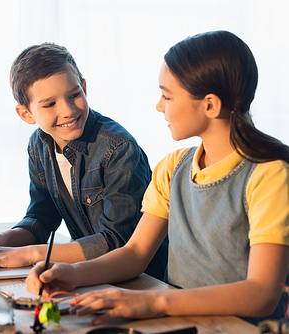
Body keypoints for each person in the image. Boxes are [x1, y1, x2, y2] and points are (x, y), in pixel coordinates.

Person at [25, 31, 289, 325]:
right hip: (179, 322)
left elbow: (263, 293)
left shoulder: (270, 175)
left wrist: (152, 300)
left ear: (210, 105)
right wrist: (71, 273)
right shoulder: (172, 167)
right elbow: (135, 253)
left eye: (167, 95)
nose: (159, 106)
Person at [0, 43, 168, 280]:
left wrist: (29, 254)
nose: (68, 110)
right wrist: (0, 240)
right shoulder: (39, 145)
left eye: (74, 95)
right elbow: (42, 216)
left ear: (84, 87)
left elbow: (116, 243)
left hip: (143, 280)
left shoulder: (118, 148)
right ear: (26, 114)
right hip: (87, 274)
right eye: (50, 104)